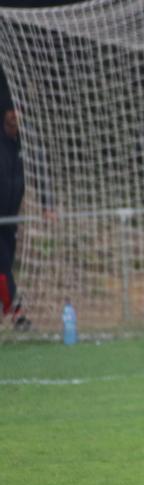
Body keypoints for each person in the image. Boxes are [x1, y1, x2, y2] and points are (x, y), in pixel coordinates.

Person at [0, 106, 41, 331]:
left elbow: (40, 171)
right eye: (9, 111)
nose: (14, 115)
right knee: (3, 266)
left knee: (7, 265)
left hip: (10, 217)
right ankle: (18, 315)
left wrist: (47, 204)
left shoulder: (25, 143)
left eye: (17, 110)